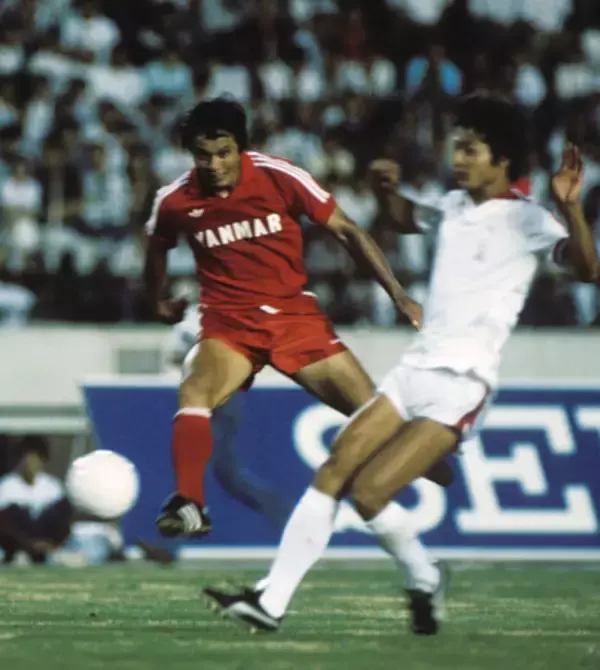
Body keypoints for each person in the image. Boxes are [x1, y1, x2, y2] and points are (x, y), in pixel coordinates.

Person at [203, 93, 598, 634]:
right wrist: (384, 192)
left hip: (463, 381)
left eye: (470, 149)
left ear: (502, 158)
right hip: (414, 369)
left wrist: (571, 209)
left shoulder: (529, 218)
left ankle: (424, 575)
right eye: (457, 147)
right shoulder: (452, 205)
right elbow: (405, 217)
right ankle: (271, 601)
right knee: (335, 469)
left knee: (370, 493)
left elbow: (587, 269)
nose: (458, 159)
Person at [142, 98, 452, 543]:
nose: (213, 165)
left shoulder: (279, 175)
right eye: (203, 155)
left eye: (223, 153)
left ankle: (426, 454)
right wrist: (156, 301)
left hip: (296, 321)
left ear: (241, 148)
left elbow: (347, 229)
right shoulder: (175, 200)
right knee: (194, 390)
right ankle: (189, 502)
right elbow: (156, 249)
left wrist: (399, 296)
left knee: (376, 420)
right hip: (230, 326)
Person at [170, 303, 292, 531]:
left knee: (215, 470)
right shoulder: (198, 318)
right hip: (216, 398)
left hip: (220, 400)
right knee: (225, 473)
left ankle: (284, 515)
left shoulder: (195, 320)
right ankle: (283, 515)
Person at [0, 436, 73, 564]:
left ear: (42, 461)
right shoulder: (6, 486)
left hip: (48, 541)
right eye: (27, 458)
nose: (30, 464)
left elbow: (64, 521)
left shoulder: (53, 486)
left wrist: (49, 543)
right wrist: (28, 543)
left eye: (35, 459)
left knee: (57, 512)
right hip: (18, 543)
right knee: (13, 513)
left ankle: (50, 552)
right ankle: (20, 553)